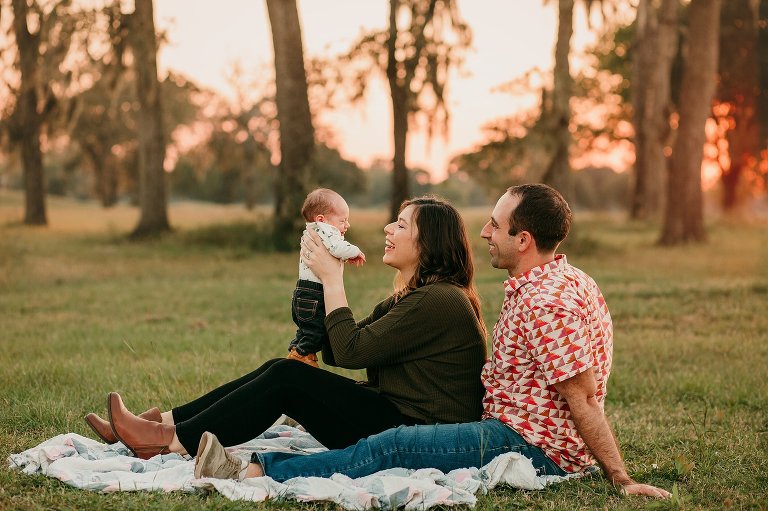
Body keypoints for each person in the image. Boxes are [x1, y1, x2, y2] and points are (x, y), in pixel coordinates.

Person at [193, 184, 670, 499]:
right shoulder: (558, 281)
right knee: (377, 432)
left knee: (393, 447)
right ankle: (189, 440)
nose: (483, 232)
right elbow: (349, 349)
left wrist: (620, 477)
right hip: (508, 427)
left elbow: (582, 393)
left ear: (523, 239)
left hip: (526, 443)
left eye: (496, 226)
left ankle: (256, 473)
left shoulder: (546, 301)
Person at [84, 196, 487, 463]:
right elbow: (337, 349)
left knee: (286, 377)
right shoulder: (418, 296)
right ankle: (159, 425)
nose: (387, 229)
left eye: (400, 225)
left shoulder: (440, 301)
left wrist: (333, 280)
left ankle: (162, 442)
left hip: (418, 435)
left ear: (428, 241)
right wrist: (315, 282)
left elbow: (348, 353)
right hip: (395, 415)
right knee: (282, 368)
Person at [287, 188, 365, 367]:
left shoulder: (312, 232)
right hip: (313, 294)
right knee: (319, 330)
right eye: (343, 220)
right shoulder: (325, 231)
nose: (347, 225)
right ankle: (302, 355)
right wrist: (355, 251)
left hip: (303, 292)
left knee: (307, 329)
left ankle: (297, 352)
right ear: (321, 219)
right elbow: (337, 248)